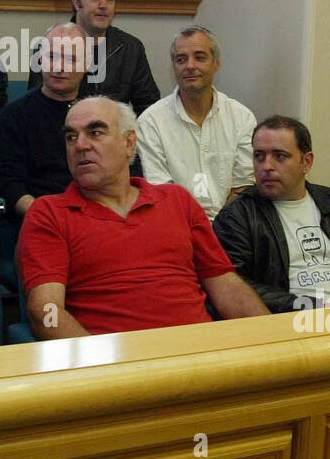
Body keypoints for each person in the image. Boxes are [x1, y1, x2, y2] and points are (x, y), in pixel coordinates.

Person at [19, 97, 269, 337]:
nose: (80, 145)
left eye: (95, 132)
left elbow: (225, 285)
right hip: (119, 367)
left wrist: (274, 341)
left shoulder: (177, 200)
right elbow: (45, 311)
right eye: (71, 137)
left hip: (200, 356)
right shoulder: (49, 213)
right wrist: (102, 364)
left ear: (129, 144)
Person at [213, 116, 330, 311]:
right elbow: (232, 286)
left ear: (307, 162)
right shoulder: (237, 216)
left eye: (280, 156)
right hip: (293, 320)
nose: (266, 166)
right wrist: (314, 308)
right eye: (259, 156)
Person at [136, 25, 256, 220]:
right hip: (176, 226)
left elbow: (243, 187)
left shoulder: (241, 118)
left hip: (230, 230)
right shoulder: (151, 122)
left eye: (200, 57)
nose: (190, 66)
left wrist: (219, 230)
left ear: (216, 63)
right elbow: (162, 193)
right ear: (173, 66)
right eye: (181, 59)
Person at [26, 0, 160, 115]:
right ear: (76, 3)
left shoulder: (130, 48)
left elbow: (149, 107)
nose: (103, 5)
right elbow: (37, 107)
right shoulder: (50, 46)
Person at [0, 22, 92, 222]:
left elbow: (126, 175)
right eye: (51, 56)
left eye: (70, 59)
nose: (58, 67)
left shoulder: (104, 113)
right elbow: (9, 183)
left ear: (87, 64)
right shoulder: (14, 115)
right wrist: (47, 216)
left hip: (96, 218)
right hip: (40, 218)